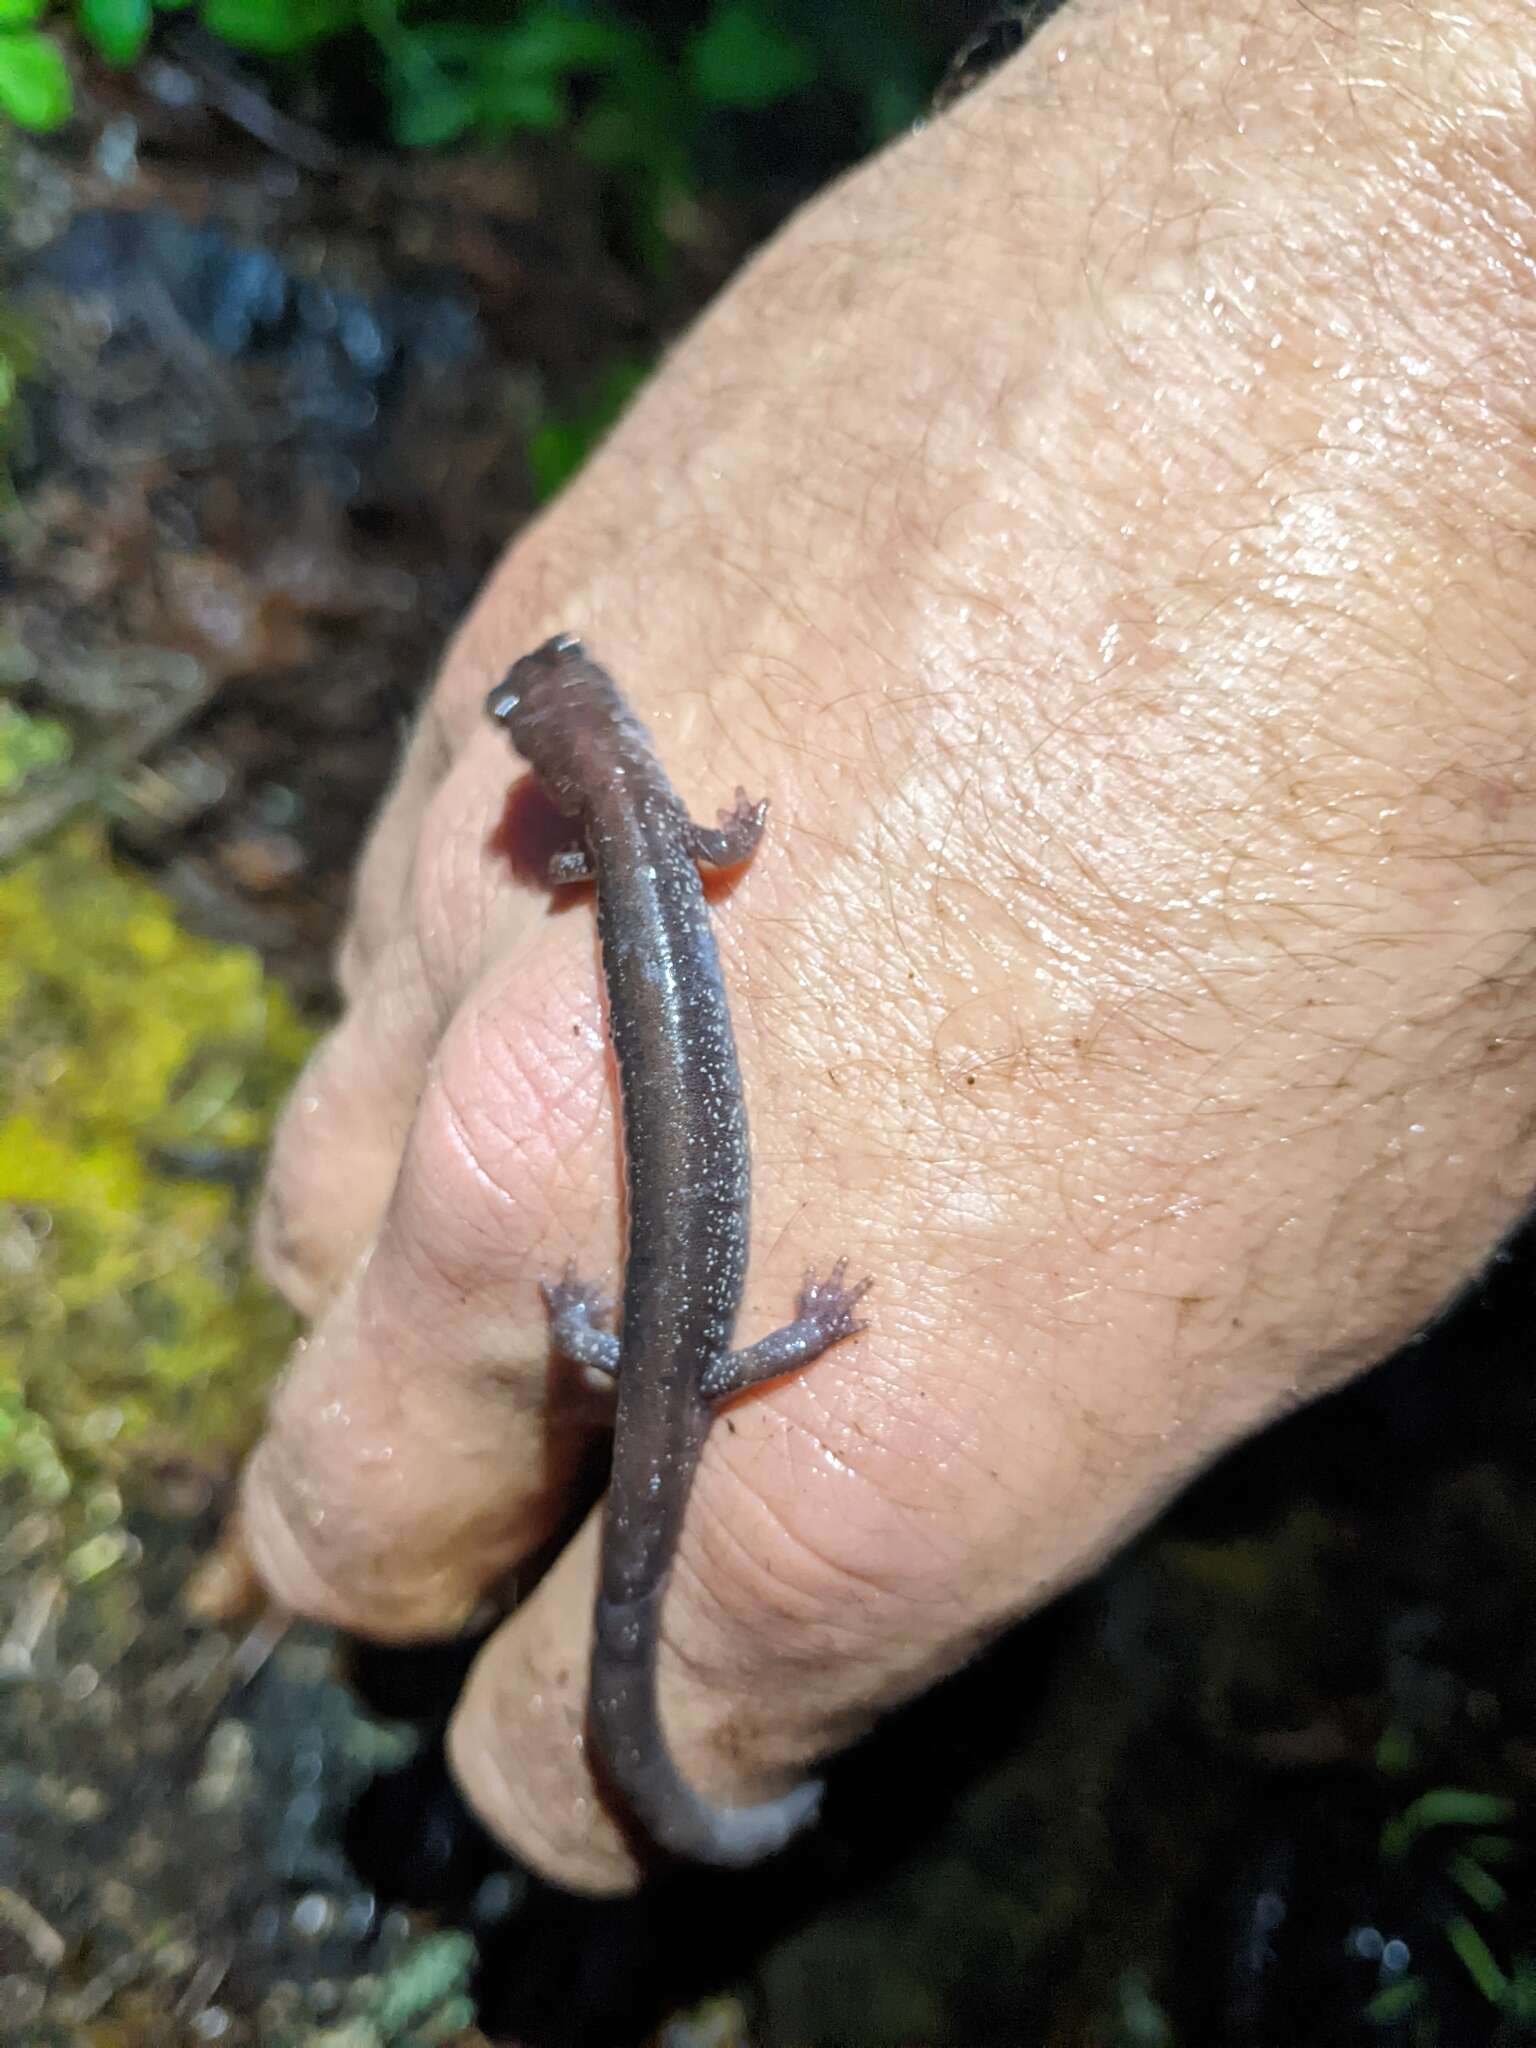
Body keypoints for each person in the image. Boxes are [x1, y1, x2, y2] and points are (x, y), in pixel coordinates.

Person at [235, 0, 1536, 1895]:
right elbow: (730, 843)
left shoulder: (631, 852)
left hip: (687, 1336)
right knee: (680, 1399)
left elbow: (712, 854)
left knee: (680, 1411)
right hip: (693, 1337)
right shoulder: (655, 835)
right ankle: (698, 1789)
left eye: (550, 723)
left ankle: (692, 1767)